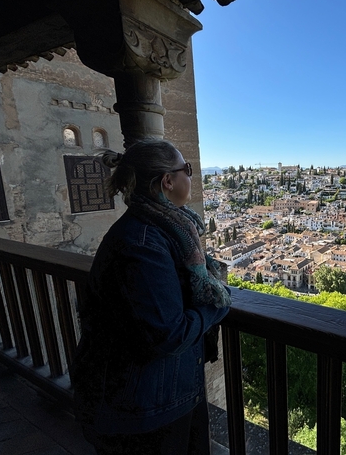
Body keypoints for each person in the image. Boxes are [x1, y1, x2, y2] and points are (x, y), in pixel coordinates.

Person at [71, 138, 230, 454]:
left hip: (165, 395)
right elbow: (167, 334)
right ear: (168, 181)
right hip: (145, 407)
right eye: (187, 169)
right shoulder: (142, 243)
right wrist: (219, 301)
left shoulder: (163, 228)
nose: (191, 175)